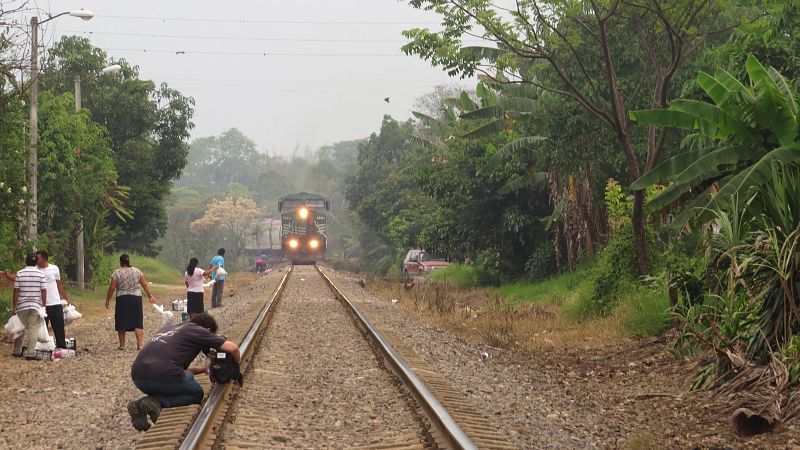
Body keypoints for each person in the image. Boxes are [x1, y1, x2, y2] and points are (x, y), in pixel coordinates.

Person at [127, 312, 240, 431]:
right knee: (196, 394)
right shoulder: (197, 330)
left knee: (176, 380)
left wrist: (202, 370)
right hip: (163, 375)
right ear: (207, 330)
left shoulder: (168, 328)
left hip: (138, 377)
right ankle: (157, 401)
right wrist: (237, 362)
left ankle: (140, 403)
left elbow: (176, 369)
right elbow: (233, 348)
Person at [105, 254, 157, 350]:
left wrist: (108, 299)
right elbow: (144, 284)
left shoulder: (116, 273)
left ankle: (122, 345)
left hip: (122, 298)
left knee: (121, 320)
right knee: (137, 320)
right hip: (135, 298)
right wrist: (150, 296)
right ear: (129, 261)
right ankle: (139, 345)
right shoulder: (137, 271)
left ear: (120, 262)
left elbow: (112, 287)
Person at [9, 253, 47, 359]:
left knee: (20, 328)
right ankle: (31, 353)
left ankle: (17, 351)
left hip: (22, 306)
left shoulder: (20, 273)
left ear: (26, 261)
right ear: (36, 262)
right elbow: (44, 291)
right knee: (33, 328)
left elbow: (16, 291)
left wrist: (14, 306)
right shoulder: (41, 274)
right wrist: (44, 305)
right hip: (35, 305)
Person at [36, 250, 70, 350]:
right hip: (42, 305)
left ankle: (61, 346)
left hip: (55, 302)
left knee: (59, 327)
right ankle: (43, 348)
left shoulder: (54, 268)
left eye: (38, 258)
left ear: (44, 258)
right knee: (42, 329)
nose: (36, 260)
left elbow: (59, 284)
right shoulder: (35, 269)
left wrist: (65, 298)